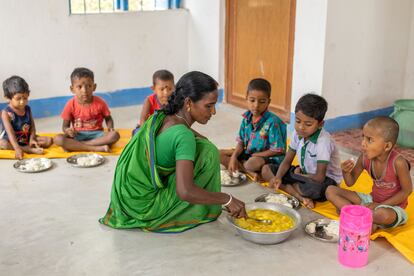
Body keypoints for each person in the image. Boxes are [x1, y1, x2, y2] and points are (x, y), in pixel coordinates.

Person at [100, 71, 246, 233]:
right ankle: (203, 209)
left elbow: (196, 137)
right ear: (188, 102)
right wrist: (227, 199)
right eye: (209, 106)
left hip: (128, 195)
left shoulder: (165, 114)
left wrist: (220, 153)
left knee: (206, 147)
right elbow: (185, 191)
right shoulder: (183, 136)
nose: (213, 112)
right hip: (143, 206)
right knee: (208, 152)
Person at [326, 117, 412, 229]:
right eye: (363, 138)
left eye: (369, 140)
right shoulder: (364, 158)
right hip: (370, 200)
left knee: (382, 215)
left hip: (392, 207)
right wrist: (345, 172)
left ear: (387, 146)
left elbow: (407, 191)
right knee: (330, 190)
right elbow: (350, 182)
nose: (363, 144)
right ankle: (366, 220)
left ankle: (355, 214)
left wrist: (380, 205)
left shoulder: (399, 163)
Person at [266, 93, 342, 208]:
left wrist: (298, 175)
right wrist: (278, 177)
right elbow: (287, 161)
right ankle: (299, 195)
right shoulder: (297, 134)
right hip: (303, 174)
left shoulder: (323, 142)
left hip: (325, 182)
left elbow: (319, 177)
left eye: (308, 124)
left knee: (312, 189)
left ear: (320, 124)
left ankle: (293, 190)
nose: (301, 127)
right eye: (298, 121)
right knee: (266, 169)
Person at [220, 78, 286, 181]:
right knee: (218, 154)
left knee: (251, 164)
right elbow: (241, 142)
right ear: (246, 98)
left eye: (262, 101)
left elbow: (277, 150)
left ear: (268, 102)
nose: (256, 105)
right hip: (249, 153)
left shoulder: (273, 122)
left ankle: (246, 168)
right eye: (252, 100)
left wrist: (257, 155)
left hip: (266, 157)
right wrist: (233, 157)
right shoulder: (246, 119)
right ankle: (248, 171)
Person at [54, 67, 120, 152]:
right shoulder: (70, 104)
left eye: (89, 86)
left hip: (97, 135)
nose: (84, 90)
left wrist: (110, 129)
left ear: (94, 87)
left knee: (114, 135)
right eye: (79, 87)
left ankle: (78, 146)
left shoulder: (100, 102)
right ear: (72, 89)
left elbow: (108, 118)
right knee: (58, 139)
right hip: (77, 135)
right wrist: (68, 131)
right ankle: (96, 148)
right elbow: (65, 126)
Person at [0, 76, 52, 159]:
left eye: (25, 98)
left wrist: (32, 139)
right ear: (8, 98)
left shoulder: (27, 109)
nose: (22, 102)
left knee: (48, 141)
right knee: (3, 144)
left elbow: (32, 127)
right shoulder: (6, 113)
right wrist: (17, 148)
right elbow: (10, 133)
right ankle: (29, 150)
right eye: (18, 99)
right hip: (11, 140)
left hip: (25, 138)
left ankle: (28, 147)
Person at [132, 69, 175, 135]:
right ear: (153, 89)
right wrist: (146, 132)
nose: (166, 93)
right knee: (137, 133)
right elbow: (143, 119)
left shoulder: (175, 100)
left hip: (167, 129)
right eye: (162, 89)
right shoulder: (149, 100)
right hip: (150, 128)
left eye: (170, 89)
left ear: (174, 87)